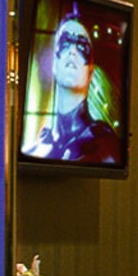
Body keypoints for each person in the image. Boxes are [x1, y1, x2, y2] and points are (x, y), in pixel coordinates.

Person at [26, 12, 116, 163]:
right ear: (54, 63)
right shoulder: (35, 149)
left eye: (81, 46)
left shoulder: (106, 148)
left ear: (91, 72)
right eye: (65, 43)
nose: (72, 51)